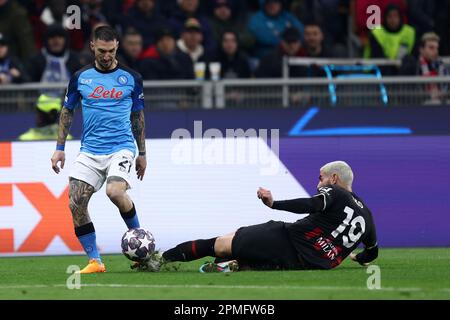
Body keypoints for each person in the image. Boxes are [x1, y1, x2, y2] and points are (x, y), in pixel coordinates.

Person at [157, 161, 378, 272]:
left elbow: (311, 204)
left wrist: (274, 204)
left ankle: (159, 261)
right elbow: (372, 253)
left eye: (321, 178)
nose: (318, 183)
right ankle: (237, 264)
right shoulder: (367, 216)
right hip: (310, 264)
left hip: (289, 240)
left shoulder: (336, 192)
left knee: (221, 243)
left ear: (334, 178)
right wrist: (358, 258)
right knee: (252, 256)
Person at [50, 26, 147, 274]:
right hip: (90, 151)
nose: (107, 56)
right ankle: (95, 261)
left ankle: (142, 248)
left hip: (121, 148)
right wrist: (59, 148)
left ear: (117, 46)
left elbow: (138, 117)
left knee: (114, 191)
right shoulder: (80, 77)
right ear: (93, 46)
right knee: (76, 202)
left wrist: (142, 153)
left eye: (112, 50)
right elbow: (67, 111)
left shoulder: (131, 78)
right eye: (102, 51)